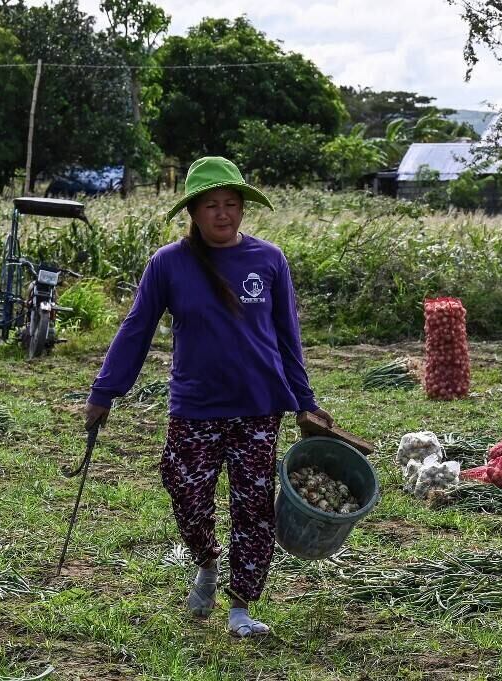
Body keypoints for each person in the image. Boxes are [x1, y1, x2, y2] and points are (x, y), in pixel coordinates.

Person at [83, 156, 333, 637]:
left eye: (232, 204)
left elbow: (287, 338)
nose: (223, 214)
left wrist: (304, 400)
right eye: (212, 205)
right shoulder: (169, 264)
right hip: (196, 405)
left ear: (243, 209)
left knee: (254, 506)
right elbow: (136, 329)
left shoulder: (269, 259)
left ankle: (241, 606)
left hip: (259, 406)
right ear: (193, 212)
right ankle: (207, 561)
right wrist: (105, 391)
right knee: (184, 488)